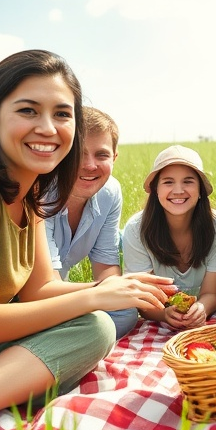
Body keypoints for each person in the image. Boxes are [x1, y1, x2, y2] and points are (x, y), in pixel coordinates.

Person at [0, 49, 175, 423]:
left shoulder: (28, 190)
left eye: (62, 114)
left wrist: (122, 287)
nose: (48, 128)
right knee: (92, 323)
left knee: (95, 327)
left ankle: (3, 391)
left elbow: (39, 289)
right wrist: (94, 295)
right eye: (28, 110)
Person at [45, 106, 137, 338]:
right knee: (98, 325)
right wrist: (109, 292)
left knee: (126, 312)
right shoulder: (42, 190)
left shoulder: (110, 192)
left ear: (115, 157)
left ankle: (79, 344)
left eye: (102, 155)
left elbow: (105, 264)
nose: (89, 165)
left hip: (63, 295)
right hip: (28, 299)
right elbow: (45, 283)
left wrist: (119, 293)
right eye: (78, 154)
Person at [122, 145, 216, 330]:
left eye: (188, 181)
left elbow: (211, 293)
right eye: (168, 182)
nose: (178, 190)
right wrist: (164, 314)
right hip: (156, 320)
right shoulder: (135, 229)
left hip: (207, 318)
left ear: (201, 190)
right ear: (155, 189)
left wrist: (201, 308)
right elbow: (143, 300)